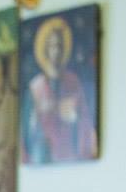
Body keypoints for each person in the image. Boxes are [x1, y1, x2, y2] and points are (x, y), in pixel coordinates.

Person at [24, 15, 96, 163]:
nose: (56, 52)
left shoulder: (73, 82)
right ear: (45, 49)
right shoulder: (35, 88)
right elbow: (26, 134)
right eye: (52, 46)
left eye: (59, 46)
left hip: (70, 156)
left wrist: (74, 116)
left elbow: (86, 124)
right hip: (42, 156)